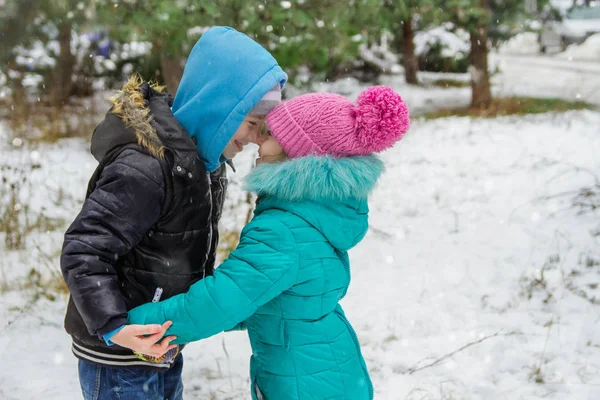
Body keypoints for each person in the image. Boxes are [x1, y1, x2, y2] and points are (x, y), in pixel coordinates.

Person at [128, 85, 410, 399]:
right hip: (324, 374)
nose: (259, 140)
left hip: (305, 384)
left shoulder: (284, 230)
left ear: (297, 152)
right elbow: (260, 300)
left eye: (272, 134)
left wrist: (136, 322)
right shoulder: (311, 215)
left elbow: (224, 299)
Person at [60, 26, 286, 400]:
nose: (254, 139)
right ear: (219, 109)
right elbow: (84, 250)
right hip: (119, 356)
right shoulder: (147, 167)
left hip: (159, 346)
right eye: (250, 125)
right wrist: (114, 326)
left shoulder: (203, 163)